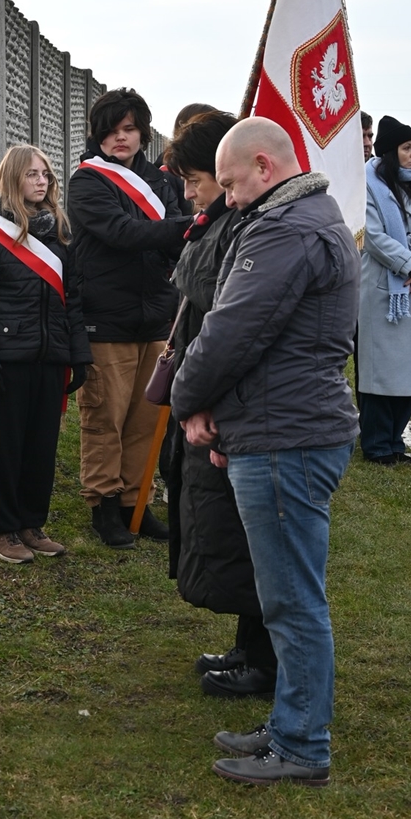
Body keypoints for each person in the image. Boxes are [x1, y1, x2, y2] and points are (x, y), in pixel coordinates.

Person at [171, 117, 359, 787]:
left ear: (264, 166)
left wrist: (185, 398)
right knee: (287, 596)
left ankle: (303, 745)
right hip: (284, 429)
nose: (226, 198)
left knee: (291, 601)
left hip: (288, 438)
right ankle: (289, 725)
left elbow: (231, 331)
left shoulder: (286, 230)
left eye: (230, 183)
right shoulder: (305, 218)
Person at [165, 110, 278, 700]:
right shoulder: (216, 223)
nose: (190, 194)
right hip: (207, 402)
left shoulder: (244, 231)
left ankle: (263, 661)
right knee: (230, 533)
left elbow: (230, 329)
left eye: (197, 181)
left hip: (227, 409)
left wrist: (199, 400)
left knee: (248, 539)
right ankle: (247, 645)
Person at [68, 87, 190, 549]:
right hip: (107, 321)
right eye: (113, 130)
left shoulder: (162, 182)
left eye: (130, 129)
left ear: (143, 134)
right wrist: (184, 226)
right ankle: (103, 505)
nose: (121, 138)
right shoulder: (86, 183)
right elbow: (123, 232)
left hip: (156, 317)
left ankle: (135, 503)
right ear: (98, 134)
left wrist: (178, 231)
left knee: (146, 421)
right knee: (106, 419)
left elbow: (173, 241)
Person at [0, 145, 91, 563]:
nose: (42, 181)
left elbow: (72, 301)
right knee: (4, 450)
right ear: (12, 178)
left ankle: (32, 525)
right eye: (32, 174)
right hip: (7, 361)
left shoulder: (59, 234)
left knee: (40, 448)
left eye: (46, 174)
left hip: (51, 359)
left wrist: (78, 355)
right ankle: (2, 532)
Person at [356, 115, 411, 465]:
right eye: (407, 147)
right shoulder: (368, 184)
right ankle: (377, 445)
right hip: (383, 290)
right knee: (380, 373)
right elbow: (372, 236)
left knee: (409, 371)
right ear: (391, 152)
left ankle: (396, 441)